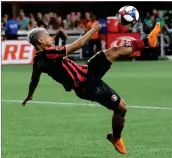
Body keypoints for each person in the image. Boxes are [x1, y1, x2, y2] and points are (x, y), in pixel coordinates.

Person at [22, 21, 161, 154]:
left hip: (87, 71)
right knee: (122, 107)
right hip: (86, 85)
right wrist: (93, 30)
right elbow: (79, 44)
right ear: (40, 41)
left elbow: (34, 79)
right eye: (47, 35)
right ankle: (116, 137)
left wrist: (29, 95)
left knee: (114, 51)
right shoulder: (49, 53)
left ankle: (149, 41)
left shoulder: (37, 60)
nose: (50, 37)